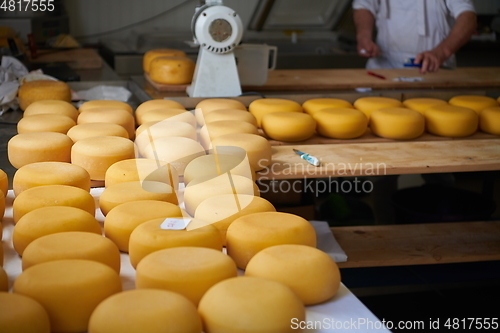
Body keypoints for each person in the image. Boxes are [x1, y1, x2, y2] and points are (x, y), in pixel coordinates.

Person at [353, 0, 477, 74]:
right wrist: (364, 36)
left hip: (434, 70)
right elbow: (364, 5)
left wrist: (441, 52)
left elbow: (468, 17)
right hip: (384, 68)